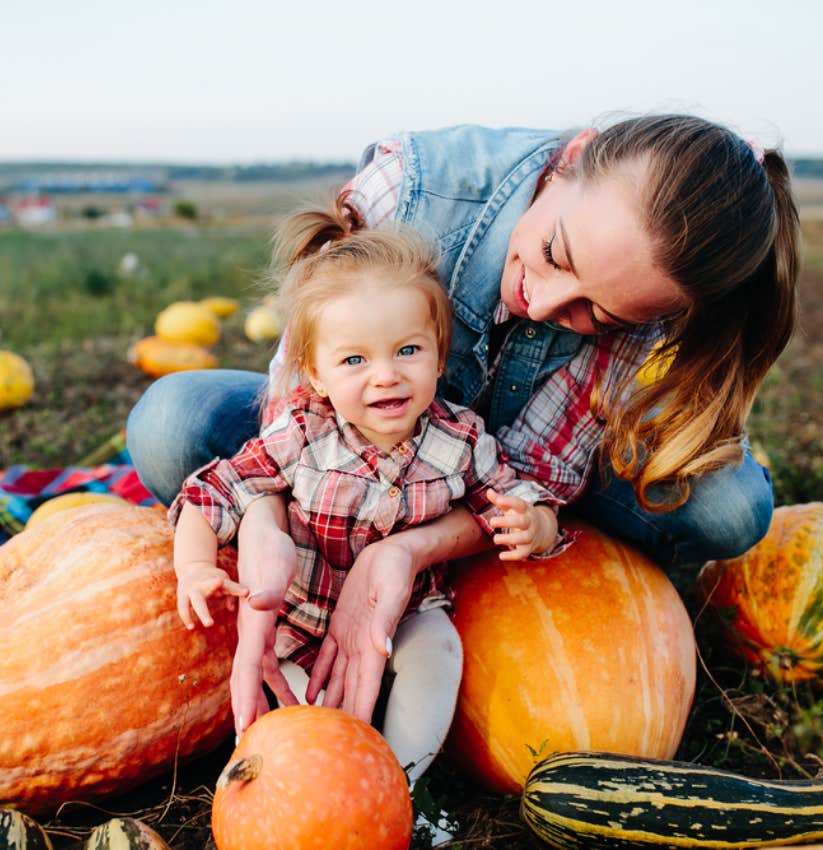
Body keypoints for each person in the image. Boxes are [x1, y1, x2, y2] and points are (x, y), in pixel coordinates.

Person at [128, 113, 800, 727]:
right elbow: (299, 408)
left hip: (483, 472)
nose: (546, 303)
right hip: (344, 454)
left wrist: (412, 548)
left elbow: (533, 473)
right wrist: (268, 523)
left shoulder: (651, 302)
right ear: (572, 158)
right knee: (170, 425)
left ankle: (549, 563)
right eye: (558, 255)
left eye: (601, 315)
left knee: (728, 507)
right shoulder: (415, 184)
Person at [167, 213, 563, 788]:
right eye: (355, 360)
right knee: (306, 717)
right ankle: (337, 789)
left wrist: (537, 524)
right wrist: (196, 565)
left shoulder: (462, 441)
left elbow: (521, 495)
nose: (385, 377)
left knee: (439, 657)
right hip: (299, 625)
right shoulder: (302, 434)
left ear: (438, 354)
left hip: (406, 614)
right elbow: (213, 493)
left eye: (407, 350)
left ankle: (399, 782)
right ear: (316, 375)